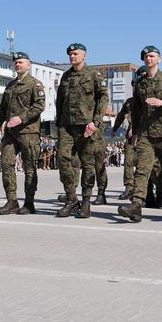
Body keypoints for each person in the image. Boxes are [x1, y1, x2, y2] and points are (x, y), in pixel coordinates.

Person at [118, 45, 162, 223]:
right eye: (146, 57)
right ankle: (136, 205)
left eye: (152, 56)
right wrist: (136, 132)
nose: (149, 59)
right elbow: (137, 111)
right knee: (142, 170)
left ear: (159, 59)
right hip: (146, 134)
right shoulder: (140, 84)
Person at [55, 43, 109, 219]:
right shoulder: (65, 76)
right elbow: (59, 101)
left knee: (88, 165)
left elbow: (103, 97)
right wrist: (59, 123)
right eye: (70, 54)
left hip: (87, 127)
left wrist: (96, 121)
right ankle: (71, 199)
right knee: (63, 161)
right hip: (67, 126)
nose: (72, 56)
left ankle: (86, 202)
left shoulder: (93, 75)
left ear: (84, 56)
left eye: (75, 53)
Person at [0, 51, 45, 215]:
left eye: (21, 62)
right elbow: (2, 108)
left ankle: (29, 203)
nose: (18, 65)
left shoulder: (35, 84)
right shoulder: (10, 86)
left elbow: (39, 106)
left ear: (29, 65)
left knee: (29, 167)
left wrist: (21, 118)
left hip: (28, 132)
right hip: (10, 132)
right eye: (16, 62)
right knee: (6, 164)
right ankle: (12, 200)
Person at [111, 95, 135, 200]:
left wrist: (135, 128)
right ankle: (129, 189)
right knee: (128, 162)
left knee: (149, 165)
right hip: (131, 137)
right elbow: (121, 115)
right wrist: (114, 128)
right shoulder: (129, 102)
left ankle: (155, 190)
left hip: (146, 135)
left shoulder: (149, 99)